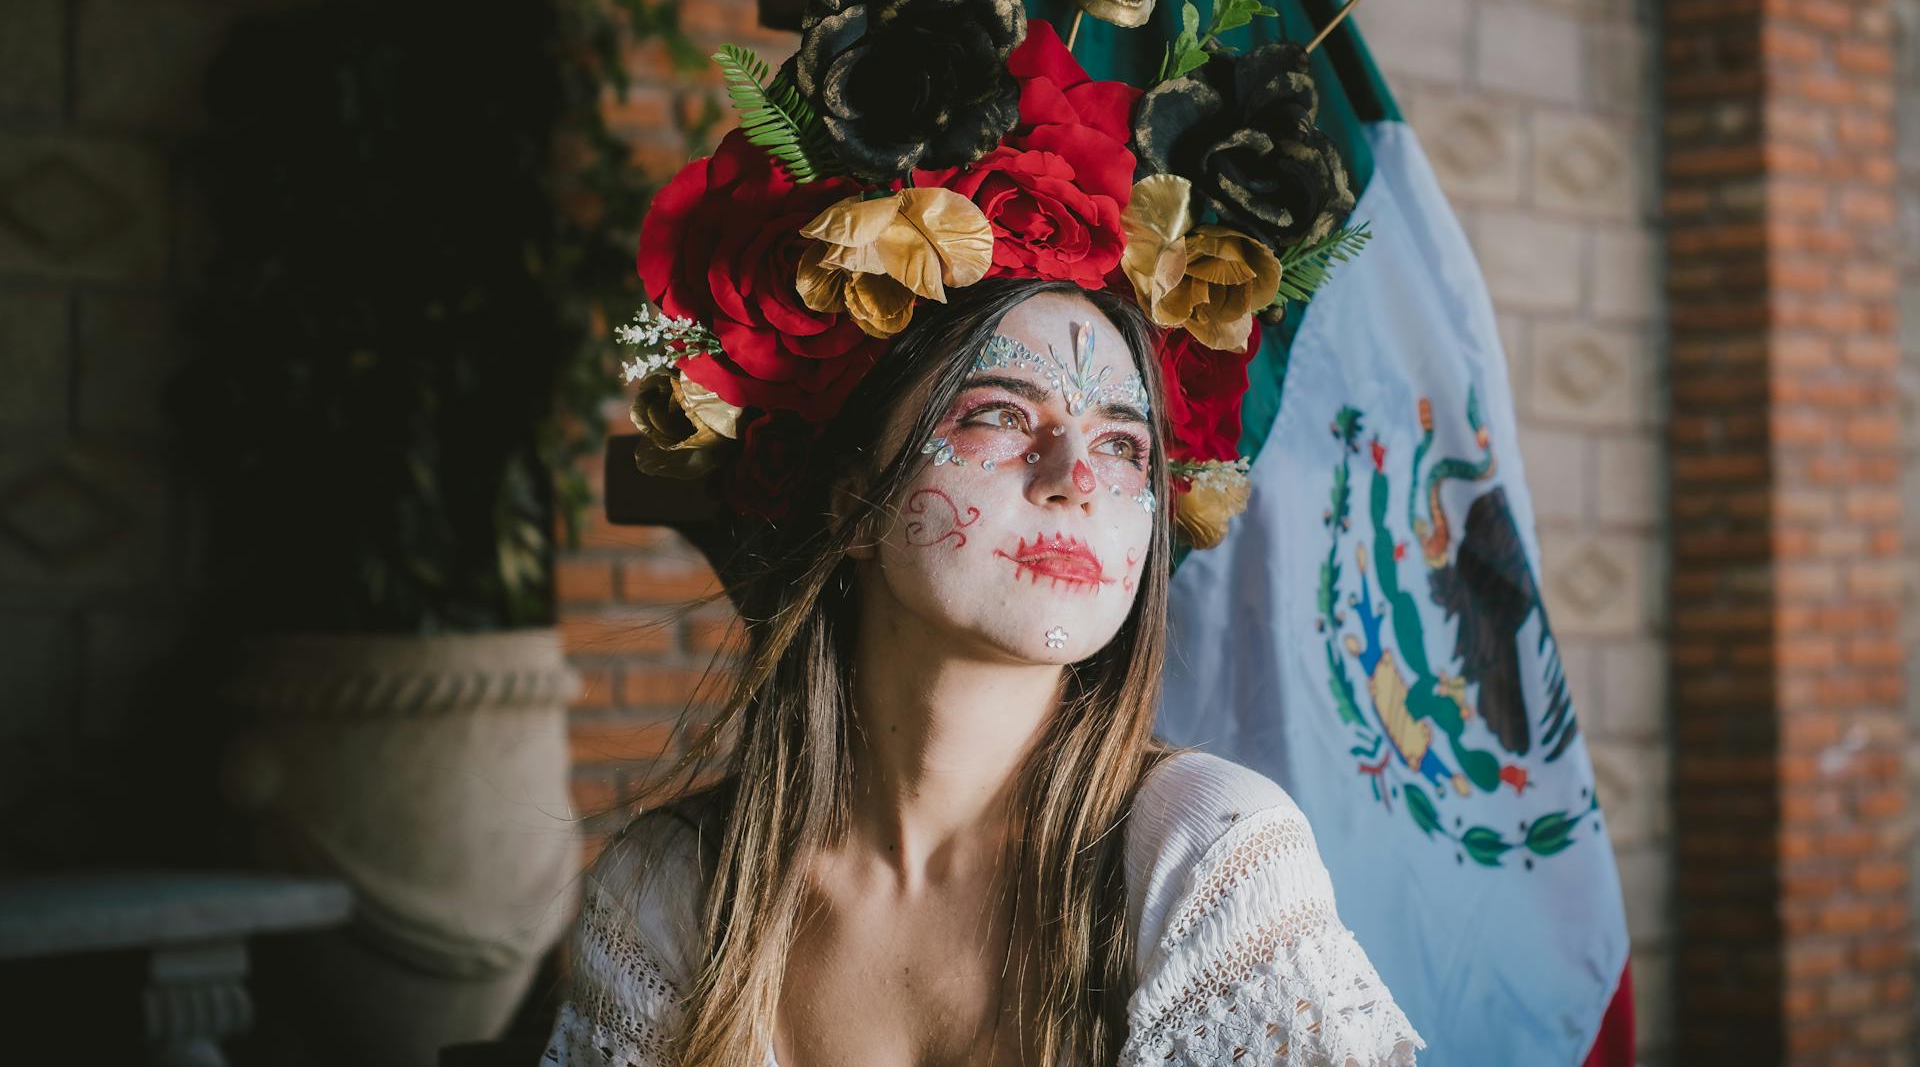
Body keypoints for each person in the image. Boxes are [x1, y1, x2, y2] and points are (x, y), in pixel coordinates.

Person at [541, 276, 1423, 1066]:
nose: (1077, 477)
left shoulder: (1206, 859)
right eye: (1001, 415)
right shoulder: (673, 890)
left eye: (1123, 445)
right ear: (854, 510)